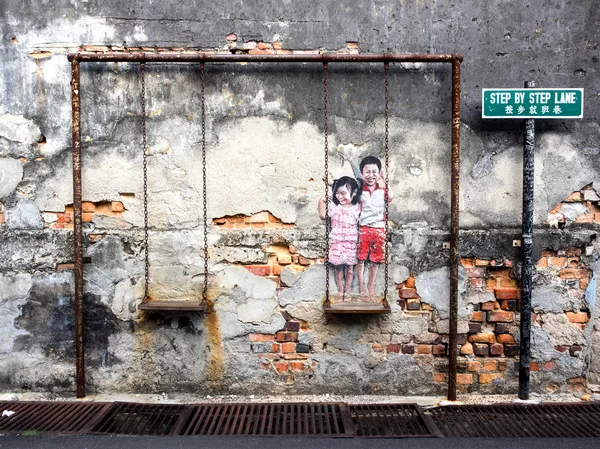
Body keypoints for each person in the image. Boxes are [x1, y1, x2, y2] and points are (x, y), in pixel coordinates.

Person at [318, 176, 362, 302]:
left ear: (353, 193)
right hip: (337, 242)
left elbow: (360, 188)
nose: (339, 196)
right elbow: (322, 216)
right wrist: (321, 202)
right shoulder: (334, 207)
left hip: (350, 242)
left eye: (343, 193)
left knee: (349, 268)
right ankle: (340, 290)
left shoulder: (357, 207)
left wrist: (332, 183)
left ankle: (347, 291)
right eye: (337, 193)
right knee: (338, 267)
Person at [356, 156, 393, 300]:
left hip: (379, 229)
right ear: (361, 173)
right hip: (363, 228)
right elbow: (343, 188)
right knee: (361, 259)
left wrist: (385, 179)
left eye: (374, 172)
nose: (371, 175)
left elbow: (391, 196)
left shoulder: (382, 190)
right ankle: (361, 286)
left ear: (379, 173)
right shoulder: (359, 190)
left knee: (376, 259)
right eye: (367, 172)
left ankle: (371, 285)